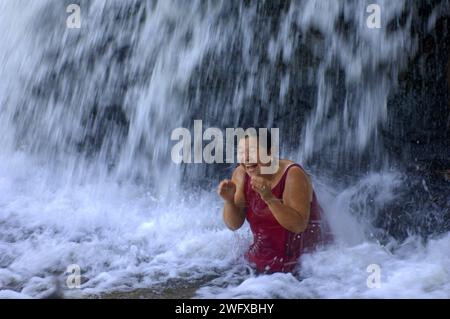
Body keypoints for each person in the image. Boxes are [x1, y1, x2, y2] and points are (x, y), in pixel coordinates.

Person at [218, 131, 331, 274]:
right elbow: (234, 225)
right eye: (241, 152)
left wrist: (270, 199)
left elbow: (298, 225)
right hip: (262, 258)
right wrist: (229, 201)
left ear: (270, 153)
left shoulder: (292, 174)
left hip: (309, 263)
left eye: (252, 151)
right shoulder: (241, 174)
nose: (245, 158)